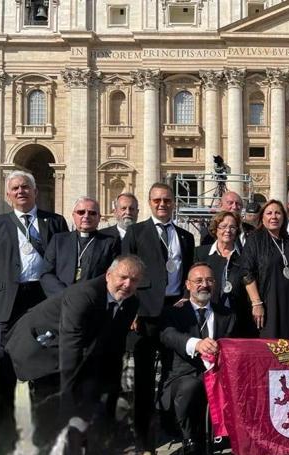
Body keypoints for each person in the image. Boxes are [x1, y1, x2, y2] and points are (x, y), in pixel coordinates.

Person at [0, 170, 69, 454]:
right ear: (9, 194)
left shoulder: (55, 222)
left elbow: (65, 263)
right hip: (9, 302)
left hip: (44, 299)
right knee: (7, 364)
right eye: (15, 188)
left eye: (26, 186)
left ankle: (45, 430)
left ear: (35, 191)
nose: (21, 191)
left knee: (48, 363)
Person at [5, 255, 144, 454]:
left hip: (73, 345)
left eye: (134, 280)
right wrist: (67, 398)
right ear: (108, 275)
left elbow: (115, 345)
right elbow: (71, 345)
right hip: (40, 345)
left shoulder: (131, 303)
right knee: (52, 407)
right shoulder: (84, 294)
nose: (127, 284)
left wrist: (112, 390)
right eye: (123, 277)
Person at [122, 182, 195, 453]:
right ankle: (142, 435)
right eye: (156, 200)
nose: (162, 204)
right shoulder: (135, 231)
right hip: (144, 312)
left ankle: (171, 423)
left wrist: (186, 300)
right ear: (150, 202)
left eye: (166, 200)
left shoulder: (185, 237)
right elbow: (126, 273)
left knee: (175, 371)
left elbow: (187, 272)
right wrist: (131, 310)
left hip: (175, 311)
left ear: (173, 202)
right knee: (142, 375)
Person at [159, 263, 235, 455]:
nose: (204, 285)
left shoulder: (227, 315)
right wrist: (196, 344)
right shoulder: (173, 312)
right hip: (182, 377)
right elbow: (168, 336)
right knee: (191, 386)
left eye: (209, 280)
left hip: (218, 376)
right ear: (188, 284)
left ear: (215, 284)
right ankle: (189, 440)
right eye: (198, 281)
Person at [240, 199, 289, 339]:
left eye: (278, 213)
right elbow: (246, 272)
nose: (274, 217)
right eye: (269, 213)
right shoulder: (255, 240)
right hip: (267, 304)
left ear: (284, 217)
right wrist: (256, 303)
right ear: (262, 218)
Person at [40, 197, 120, 296]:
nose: (86, 216)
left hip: (93, 300)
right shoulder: (59, 240)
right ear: (73, 215)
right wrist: (64, 294)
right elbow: (46, 273)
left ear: (99, 217)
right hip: (61, 300)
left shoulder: (110, 242)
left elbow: (113, 275)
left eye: (92, 213)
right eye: (81, 212)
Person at [194, 211, 254, 337]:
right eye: (223, 226)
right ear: (216, 229)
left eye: (232, 227)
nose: (228, 230)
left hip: (238, 317)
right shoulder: (201, 253)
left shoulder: (245, 256)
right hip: (209, 315)